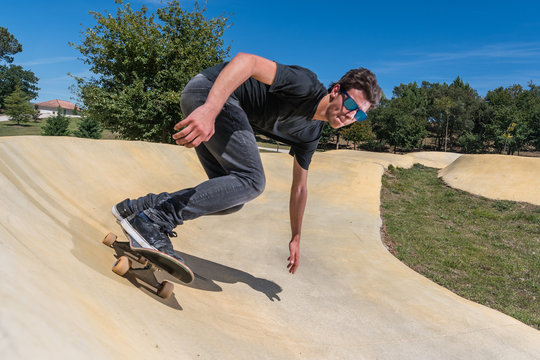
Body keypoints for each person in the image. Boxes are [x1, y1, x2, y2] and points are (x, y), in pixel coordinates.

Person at [112, 52, 382, 274]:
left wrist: (296, 236)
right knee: (252, 181)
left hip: (216, 109)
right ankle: (152, 222)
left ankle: (138, 209)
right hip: (210, 93)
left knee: (231, 198)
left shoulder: (311, 134)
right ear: (336, 91)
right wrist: (210, 110)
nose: (351, 116)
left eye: (360, 115)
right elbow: (246, 61)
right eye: (351, 104)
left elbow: (300, 188)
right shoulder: (306, 86)